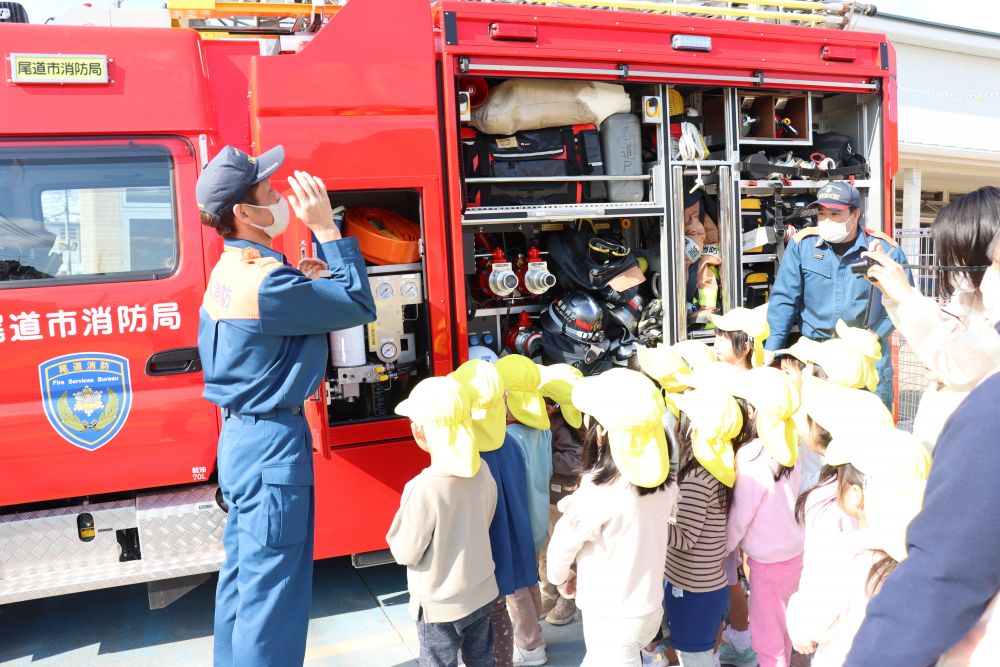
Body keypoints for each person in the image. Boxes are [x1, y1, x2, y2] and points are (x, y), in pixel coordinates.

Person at [196, 145, 376, 666]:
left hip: (240, 440)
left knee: (244, 584)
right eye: (269, 193)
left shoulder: (232, 270)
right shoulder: (269, 282)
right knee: (274, 594)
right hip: (273, 446)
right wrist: (327, 229)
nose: (282, 199)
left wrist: (308, 282)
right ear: (244, 214)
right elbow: (359, 306)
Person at [845, 243, 1000, 666]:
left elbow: (944, 576)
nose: (983, 284)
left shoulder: (992, 410)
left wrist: (905, 296)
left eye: (995, 264)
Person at [546, 368, 678, 667]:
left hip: (610, 614)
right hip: (649, 607)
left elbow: (563, 544)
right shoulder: (667, 482)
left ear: (601, 434)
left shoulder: (600, 487)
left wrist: (560, 576)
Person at [864, 186, 1000, 448]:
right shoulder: (971, 297)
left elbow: (956, 362)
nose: (950, 262)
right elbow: (938, 338)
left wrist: (906, 297)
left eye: (958, 252)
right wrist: (892, 295)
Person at [787, 428, 931, 667]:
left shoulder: (846, 552)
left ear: (857, 495)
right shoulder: (926, 554)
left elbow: (810, 620)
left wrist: (798, 629)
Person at [763, 181, 911, 408]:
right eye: (821, 214)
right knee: (816, 434)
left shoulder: (885, 250)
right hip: (817, 355)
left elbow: (904, 302)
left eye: (835, 213)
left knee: (869, 431)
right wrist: (773, 344)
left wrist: (873, 335)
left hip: (866, 356)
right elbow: (785, 297)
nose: (826, 220)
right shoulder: (803, 245)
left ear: (855, 214)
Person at [386, 376, 499, 667]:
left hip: (439, 606)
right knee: (483, 659)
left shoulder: (423, 487)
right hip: (483, 591)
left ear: (419, 433)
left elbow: (405, 551)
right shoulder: (483, 469)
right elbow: (487, 517)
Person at [451, 360, 539, 667]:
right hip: (510, 540)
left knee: (483, 614)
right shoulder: (511, 444)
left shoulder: (466, 455)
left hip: (481, 553)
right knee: (503, 605)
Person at [659, 386, 752, 667]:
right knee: (704, 654)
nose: (676, 423)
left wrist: (652, 523)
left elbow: (685, 538)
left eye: (681, 417)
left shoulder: (697, 477)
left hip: (692, 588)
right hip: (707, 584)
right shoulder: (718, 468)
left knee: (695, 658)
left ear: (691, 430)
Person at [725, 367, 804, 667]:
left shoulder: (751, 455)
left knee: (767, 643)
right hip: (795, 554)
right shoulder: (790, 445)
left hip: (767, 565)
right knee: (783, 633)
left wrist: (724, 545)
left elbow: (741, 514)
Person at [495, 354, 551, 667]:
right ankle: (537, 636)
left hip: (518, 526)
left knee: (517, 589)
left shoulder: (508, 439)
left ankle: (531, 648)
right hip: (538, 521)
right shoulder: (541, 431)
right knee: (531, 581)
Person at [537, 363, 585, 627]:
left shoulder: (562, 425)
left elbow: (574, 459)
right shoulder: (549, 421)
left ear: (553, 404)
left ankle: (567, 597)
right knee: (546, 548)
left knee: (562, 547)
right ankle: (548, 592)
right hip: (549, 495)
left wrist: (543, 459)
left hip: (561, 496)